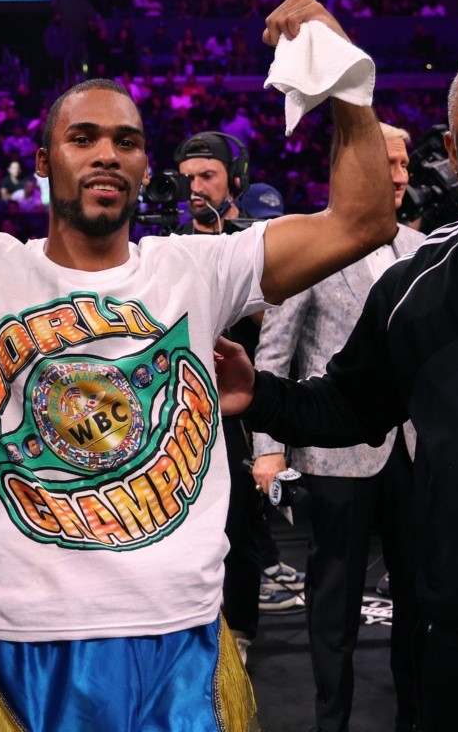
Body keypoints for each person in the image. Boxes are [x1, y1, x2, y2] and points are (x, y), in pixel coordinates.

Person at [0, 0, 398, 731]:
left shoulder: (198, 268)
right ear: (44, 161)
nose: (108, 152)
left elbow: (362, 222)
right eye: (84, 137)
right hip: (20, 644)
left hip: (183, 638)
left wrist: (344, 77)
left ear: (143, 164)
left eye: (127, 140)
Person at [213, 58, 458, 732]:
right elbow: (347, 401)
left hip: (410, 475)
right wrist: (262, 403)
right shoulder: (421, 280)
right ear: (452, 152)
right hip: (457, 623)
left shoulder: (415, 256)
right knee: (341, 606)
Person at [251, 122, 424, 732]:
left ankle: (415, 714)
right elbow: (273, 354)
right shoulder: (313, 242)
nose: (401, 176)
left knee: (420, 597)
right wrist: (267, 451)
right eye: (389, 163)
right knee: (334, 601)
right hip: (333, 452)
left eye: (405, 164)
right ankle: (332, 721)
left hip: (413, 450)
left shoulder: (422, 248)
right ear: (352, 166)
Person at [173, 132, 304, 667]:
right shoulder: (170, 243)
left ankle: (243, 630)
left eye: (207, 175)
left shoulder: (255, 244)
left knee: (240, 524)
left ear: (234, 178)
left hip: (238, 409)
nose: (196, 186)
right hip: (180, 401)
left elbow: (276, 321)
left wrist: (228, 262)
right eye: (188, 177)